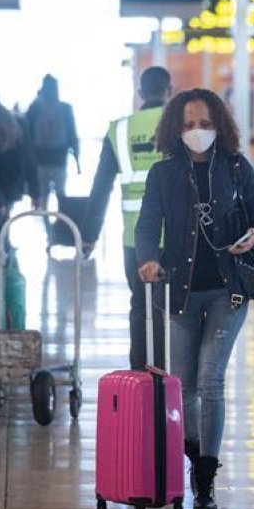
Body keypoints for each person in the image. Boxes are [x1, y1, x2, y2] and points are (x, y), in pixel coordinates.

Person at [135, 88, 254, 509]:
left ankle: (206, 477)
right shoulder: (163, 174)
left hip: (229, 291)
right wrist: (149, 259)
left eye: (206, 124)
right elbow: (145, 227)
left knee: (211, 381)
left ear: (220, 127)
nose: (198, 132)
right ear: (176, 128)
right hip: (180, 294)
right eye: (190, 124)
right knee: (186, 387)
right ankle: (193, 454)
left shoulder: (235, 167)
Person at [84, 66, 173, 370]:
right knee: (174, 308)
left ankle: (140, 373)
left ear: (140, 93)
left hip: (134, 238)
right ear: (169, 91)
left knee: (140, 305)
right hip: (176, 235)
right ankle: (169, 376)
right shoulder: (179, 126)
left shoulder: (119, 131)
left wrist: (89, 234)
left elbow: (101, 186)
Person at [25, 74, 79, 210]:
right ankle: (62, 223)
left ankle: (47, 225)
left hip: (39, 159)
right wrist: (77, 158)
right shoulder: (65, 108)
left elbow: (27, 135)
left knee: (42, 196)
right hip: (59, 158)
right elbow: (72, 134)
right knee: (61, 195)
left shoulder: (34, 108)